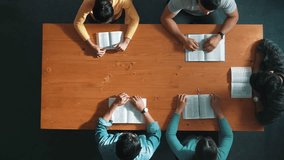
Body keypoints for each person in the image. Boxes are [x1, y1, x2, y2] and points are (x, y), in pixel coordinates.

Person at [95, 93, 161, 160]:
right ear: (140, 148)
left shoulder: (105, 147)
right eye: (134, 136)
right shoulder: (146, 152)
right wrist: (143, 110)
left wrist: (115, 105)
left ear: (115, 144)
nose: (131, 133)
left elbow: (101, 126)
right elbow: (156, 132)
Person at [166, 94, 233, 160]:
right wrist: (218, 111)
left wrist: (178, 109)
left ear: (195, 150)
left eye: (202, 141)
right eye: (210, 142)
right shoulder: (220, 157)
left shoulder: (185, 155)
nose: (206, 139)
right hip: (209, 133)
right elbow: (228, 136)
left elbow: (170, 135)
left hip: (187, 137)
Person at [160, 0, 239, 52]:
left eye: (211, 10)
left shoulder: (226, 0)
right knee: (174, 41)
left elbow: (234, 16)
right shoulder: (181, 0)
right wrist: (182, 39)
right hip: (184, 10)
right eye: (205, 8)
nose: (207, 13)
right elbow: (165, 18)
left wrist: (220, 36)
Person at [74, 0, 139, 57]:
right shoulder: (88, 2)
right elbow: (77, 23)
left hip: (116, 17)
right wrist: (91, 45)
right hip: (94, 19)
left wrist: (126, 42)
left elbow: (135, 19)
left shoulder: (124, 1)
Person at [250, 39, 284, 125]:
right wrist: (256, 66)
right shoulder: (280, 62)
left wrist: (256, 98)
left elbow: (263, 120)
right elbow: (264, 43)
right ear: (270, 72)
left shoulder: (279, 102)